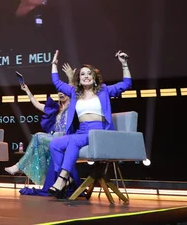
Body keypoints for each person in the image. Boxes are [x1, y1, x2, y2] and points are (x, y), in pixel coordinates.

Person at [48, 49, 132, 198]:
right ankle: (68, 178)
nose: (86, 76)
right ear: (79, 79)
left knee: (73, 141)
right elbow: (56, 82)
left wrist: (124, 64)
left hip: (99, 131)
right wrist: (54, 64)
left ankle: (62, 179)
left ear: (94, 78)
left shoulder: (104, 91)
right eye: (82, 74)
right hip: (82, 131)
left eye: (89, 74)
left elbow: (126, 84)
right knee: (54, 144)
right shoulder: (75, 92)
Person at [4, 63, 79, 186]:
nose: (61, 93)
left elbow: (73, 93)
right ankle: (46, 182)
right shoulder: (55, 109)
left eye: (63, 91)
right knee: (39, 148)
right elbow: (37, 104)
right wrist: (27, 90)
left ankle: (19, 166)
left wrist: (71, 79)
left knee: (38, 136)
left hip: (67, 140)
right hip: (54, 140)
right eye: (59, 91)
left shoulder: (71, 108)